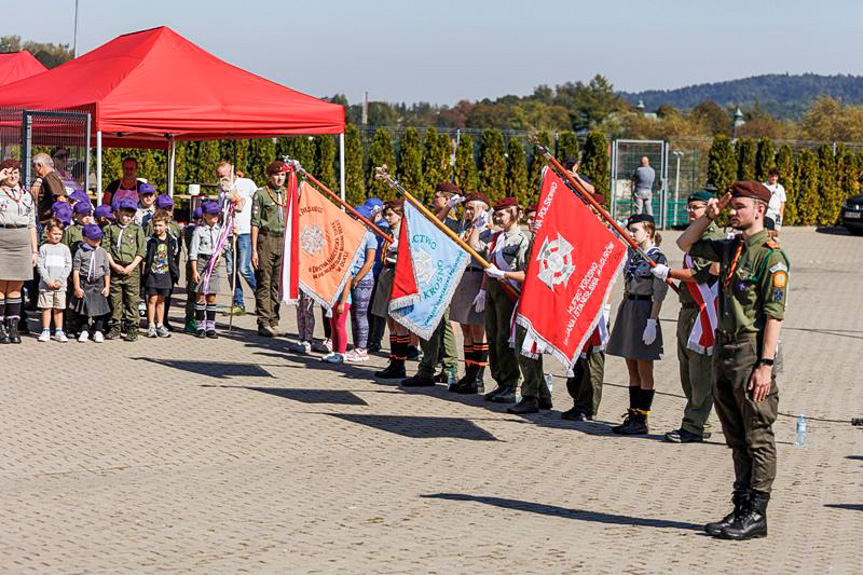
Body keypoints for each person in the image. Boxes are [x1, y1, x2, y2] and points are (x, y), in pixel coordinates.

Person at [677, 181, 789, 541]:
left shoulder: (770, 256)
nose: (732, 212)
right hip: (725, 351)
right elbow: (685, 244)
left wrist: (765, 365)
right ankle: (741, 506)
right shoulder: (732, 248)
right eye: (731, 206)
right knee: (735, 436)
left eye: (739, 206)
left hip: (750, 352)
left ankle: (757, 512)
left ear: (759, 209)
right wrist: (709, 213)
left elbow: (774, 316)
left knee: (757, 435)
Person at [650, 190, 724, 443]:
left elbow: (699, 274)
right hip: (688, 309)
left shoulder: (712, 236)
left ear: (709, 209)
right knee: (687, 372)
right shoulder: (697, 234)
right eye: (688, 207)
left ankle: (693, 426)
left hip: (703, 313)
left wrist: (669, 271)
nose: (690, 211)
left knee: (700, 373)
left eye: (695, 207)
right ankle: (701, 421)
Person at [606, 214, 669, 434]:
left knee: (644, 369)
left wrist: (652, 321)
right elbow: (615, 241)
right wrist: (621, 227)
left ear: (649, 232)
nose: (631, 234)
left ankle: (642, 418)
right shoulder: (633, 253)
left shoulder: (657, 258)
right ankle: (633, 413)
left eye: (636, 230)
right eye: (630, 230)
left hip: (644, 310)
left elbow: (659, 293)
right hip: (628, 308)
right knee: (631, 366)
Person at [472, 197, 531, 404]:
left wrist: (504, 275)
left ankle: (510, 384)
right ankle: (500, 382)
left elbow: (526, 273)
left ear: (515, 214)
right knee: (494, 337)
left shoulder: (522, 240)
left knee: (506, 339)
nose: (498, 217)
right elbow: (474, 248)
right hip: (493, 291)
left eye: (503, 213)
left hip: (509, 292)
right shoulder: (496, 237)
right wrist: (477, 228)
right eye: (496, 213)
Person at [562, 193, 611, 421]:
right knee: (577, 359)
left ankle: (588, 406)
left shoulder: (607, 238)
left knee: (592, 360)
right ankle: (578, 401)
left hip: (597, 308)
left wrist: (606, 307)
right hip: (577, 304)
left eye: (591, 209)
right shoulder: (578, 236)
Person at [447, 192, 492, 394]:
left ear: (484, 209)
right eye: (467, 207)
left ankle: (478, 378)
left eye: (473, 207)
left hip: (476, 278)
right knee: (466, 331)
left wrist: (483, 289)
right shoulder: (463, 227)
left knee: (477, 332)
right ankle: (469, 373)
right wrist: (449, 206)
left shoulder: (488, 231)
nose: (468, 211)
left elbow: (481, 255)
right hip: (462, 279)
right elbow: (437, 222)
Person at [371, 199, 411, 379]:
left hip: (398, 274)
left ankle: (400, 363)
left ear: (400, 215)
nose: (387, 218)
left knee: (398, 321)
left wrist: (401, 247)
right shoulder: (388, 230)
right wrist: (373, 217)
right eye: (385, 214)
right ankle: (394, 360)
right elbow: (371, 229)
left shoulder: (406, 231)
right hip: (387, 272)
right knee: (390, 322)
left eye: (390, 215)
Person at [0, 160, 38, 344]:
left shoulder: (26, 196)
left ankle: (12, 326)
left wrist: (34, 250)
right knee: (0, 286)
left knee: (16, 286)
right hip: (2, 238)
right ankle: (0, 327)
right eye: (8, 172)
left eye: (15, 172)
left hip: (21, 240)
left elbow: (32, 224)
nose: (12, 176)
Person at [251, 161, 287, 337]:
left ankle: (275, 319)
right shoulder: (261, 195)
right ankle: (264, 321)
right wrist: (254, 250)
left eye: (282, 175)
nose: (279, 178)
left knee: (277, 283)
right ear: (269, 176)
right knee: (264, 281)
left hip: (283, 240)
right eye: (276, 175)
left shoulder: (288, 194)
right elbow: (255, 223)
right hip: (266, 240)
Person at [102, 197, 146, 342]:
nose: (128, 218)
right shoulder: (110, 229)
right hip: (115, 268)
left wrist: (132, 266)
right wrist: (114, 265)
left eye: (131, 215)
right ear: (118, 213)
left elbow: (141, 251)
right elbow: (105, 248)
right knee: (115, 300)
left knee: (132, 300)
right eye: (125, 214)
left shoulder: (137, 230)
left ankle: (132, 327)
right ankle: (115, 326)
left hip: (131, 269)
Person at [216, 161, 257, 316]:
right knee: (231, 270)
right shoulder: (221, 191)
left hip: (245, 231)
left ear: (232, 173)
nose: (221, 179)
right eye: (219, 177)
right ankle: (238, 303)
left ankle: (261, 297)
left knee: (243, 268)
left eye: (224, 176)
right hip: (228, 233)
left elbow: (258, 199)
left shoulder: (247, 184)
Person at [344, 205, 378, 363]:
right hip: (351, 278)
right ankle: (357, 345)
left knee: (361, 314)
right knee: (354, 314)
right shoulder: (353, 235)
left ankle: (363, 348)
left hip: (363, 280)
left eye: (355, 217)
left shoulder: (369, 237)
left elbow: (370, 261)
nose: (353, 219)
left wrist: (358, 278)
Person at [190, 201, 227, 339]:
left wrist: (233, 236)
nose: (215, 216)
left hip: (214, 264)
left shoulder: (220, 230)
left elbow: (224, 246)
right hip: (201, 262)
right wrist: (194, 270)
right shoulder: (199, 231)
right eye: (211, 214)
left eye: (216, 214)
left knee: (212, 295)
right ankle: (200, 325)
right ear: (204, 215)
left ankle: (211, 326)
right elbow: (193, 252)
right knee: (200, 294)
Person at [70, 224, 111, 343]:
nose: (97, 241)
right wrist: (77, 287)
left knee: (100, 308)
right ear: (85, 238)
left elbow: (106, 270)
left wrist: (107, 286)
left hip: (99, 283)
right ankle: (84, 330)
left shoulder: (103, 252)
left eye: (98, 238)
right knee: (84, 308)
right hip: (84, 282)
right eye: (93, 238)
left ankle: (98, 330)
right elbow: (76, 270)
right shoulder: (80, 252)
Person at [144, 211, 179, 338]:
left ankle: (160, 324)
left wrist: (175, 273)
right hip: (152, 274)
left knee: (162, 300)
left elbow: (174, 255)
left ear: (166, 225)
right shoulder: (150, 240)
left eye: (160, 225)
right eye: (155, 225)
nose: (157, 228)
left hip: (165, 274)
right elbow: (145, 258)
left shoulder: (172, 240)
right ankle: (151, 325)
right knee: (152, 299)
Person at [36, 219, 73, 342]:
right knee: (46, 307)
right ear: (48, 233)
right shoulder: (44, 248)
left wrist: (61, 280)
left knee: (59, 308)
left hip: (60, 286)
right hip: (46, 285)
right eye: (54, 233)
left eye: (59, 234)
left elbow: (68, 266)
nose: (57, 236)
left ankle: (59, 330)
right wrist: (47, 280)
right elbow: (40, 266)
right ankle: (45, 330)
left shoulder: (65, 249)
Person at [365, 198, 388, 353]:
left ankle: (376, 339)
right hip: (371, 272)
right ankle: (368, 338)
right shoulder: (372, 225)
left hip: (380, 271)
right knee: (368, 308)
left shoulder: (384, 227)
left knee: (377, 310)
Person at [322, 271, 352, 364]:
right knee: (333, 326)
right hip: (332, 299)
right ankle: (335, 351)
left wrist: (342, 303)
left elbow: (347, 286)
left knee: (339, 326)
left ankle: (341, 353)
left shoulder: (347, 265)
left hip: (342, 300)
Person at [32, 153, 68, 225]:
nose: (33, 169)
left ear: (40, 166)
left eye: (33, 166)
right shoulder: (49, 177)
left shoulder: (50, 177)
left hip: (50, 223)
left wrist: (58, 220)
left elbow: (61, 199)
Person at [183, 206, 203, 333]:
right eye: (197, 220)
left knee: (202, 294)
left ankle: (200, 318)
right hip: (193, 265)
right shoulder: (192, 231)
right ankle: (190, 320)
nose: (200, 222)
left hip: (205, 265)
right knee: (192, 294)